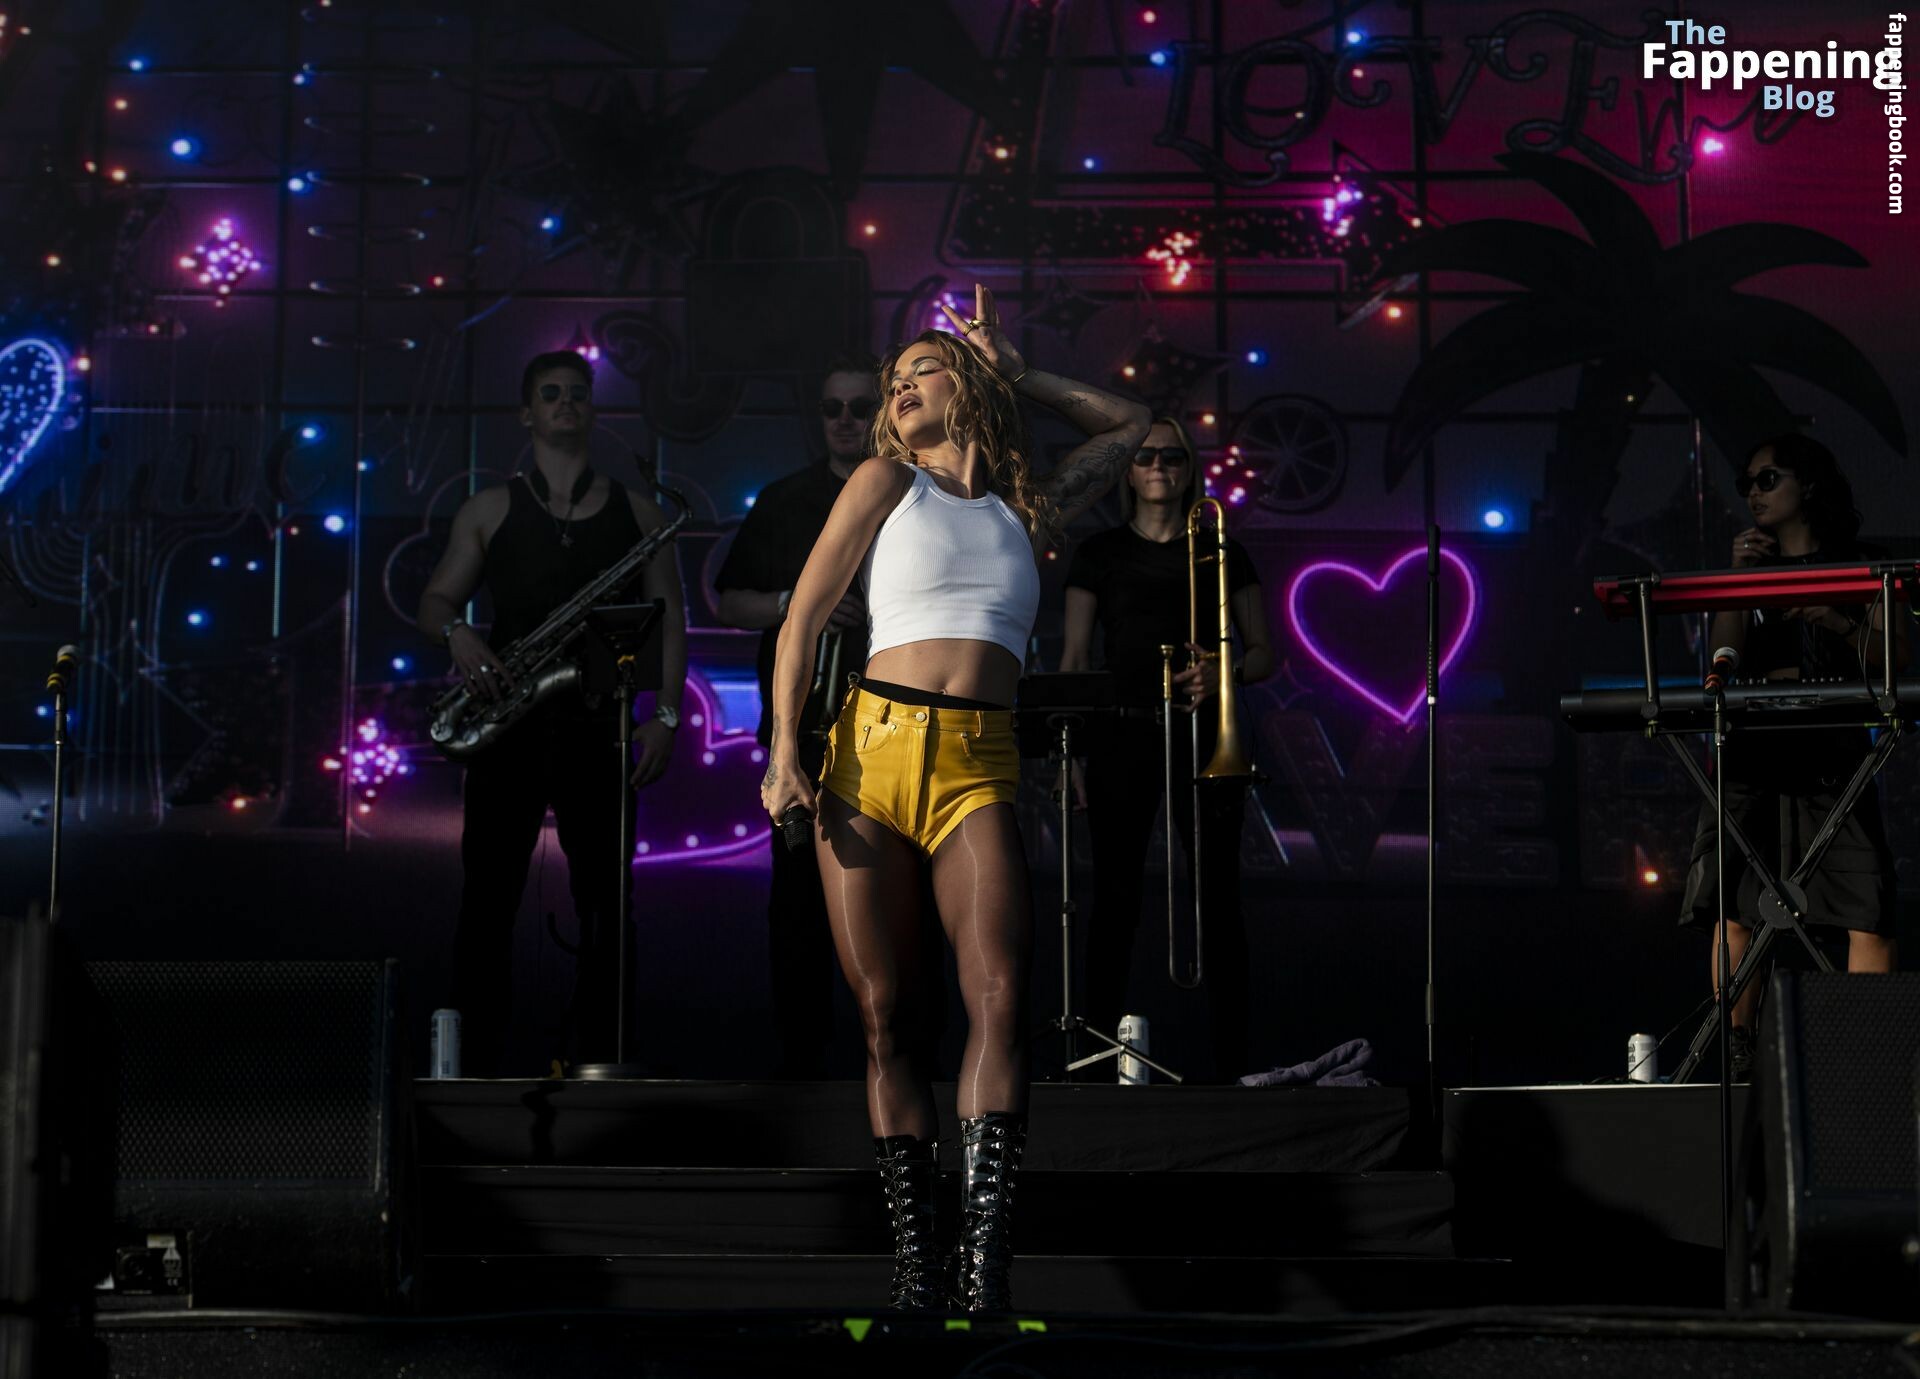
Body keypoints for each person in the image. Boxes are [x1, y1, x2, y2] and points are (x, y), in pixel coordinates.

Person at [760, 287, 1151, 1311]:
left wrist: (1022, 372)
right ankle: (915, 1266)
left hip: (980, 760)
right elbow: (803, 617)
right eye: (891, 381)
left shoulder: (1027, 509)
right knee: (887, 1016)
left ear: (968, 383)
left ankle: (983, 1271)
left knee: (1002, 996)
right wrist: (784, 749)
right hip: (868, 757)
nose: (897, 389)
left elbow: (1132, 425)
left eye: (918, 370)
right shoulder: (886, 480)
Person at [418, 350, 688, 1075]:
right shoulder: (490, 509)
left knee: (607, 905)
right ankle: (474, 1068)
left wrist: (665, 714)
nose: (566, 402)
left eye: (577, 393)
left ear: (592, 410)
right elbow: (435, 601)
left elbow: (671, 621)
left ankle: (604, 1062)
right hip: (505, 727)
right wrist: (459, 632)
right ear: (526, 414)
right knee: (486, 902)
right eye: (550, 394)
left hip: (600, 727)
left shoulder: (639, 512)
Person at [1682, 434, 1906, 1078]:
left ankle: (1866, 1057)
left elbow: (1896, 658)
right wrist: (1737, 581)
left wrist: (1834, 619)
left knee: (1866, 905)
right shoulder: (1750, 567)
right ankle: (1738, 1050)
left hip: (1833, 749)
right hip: (1755, 746)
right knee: (1735, 903)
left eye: (1767, 479)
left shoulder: (1862, 564)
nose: (1753, 494)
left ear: (1806, 484)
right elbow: (1722, 656)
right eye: (1746, 484)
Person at [1059, 417, 1274, 1082]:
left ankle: (1232, 1064)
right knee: (1113, 899)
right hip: (1121, 735)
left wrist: (1223, 671)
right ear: (1127, 469)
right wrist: (1071, 753)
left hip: (1206, 736)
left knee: (1219, 901)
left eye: (1172, 457)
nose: (1159, 466)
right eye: (1146, 456)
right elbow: (1074, 660)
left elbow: (1266, 653)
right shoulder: (1097, 554)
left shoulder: (1223, 551)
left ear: (1189, 468)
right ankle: (1092, 1058)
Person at [715, 356, 880, 1077]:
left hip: (891, 725)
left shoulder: (910, 495)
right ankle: (803, 1064)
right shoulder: (785, 499)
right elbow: (729, 601)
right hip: (805, 730)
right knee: (798, 900)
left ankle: (893, 1058)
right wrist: (798, 603)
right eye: (831, 408)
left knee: (892, 898)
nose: (844, 420)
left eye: (859, 407)